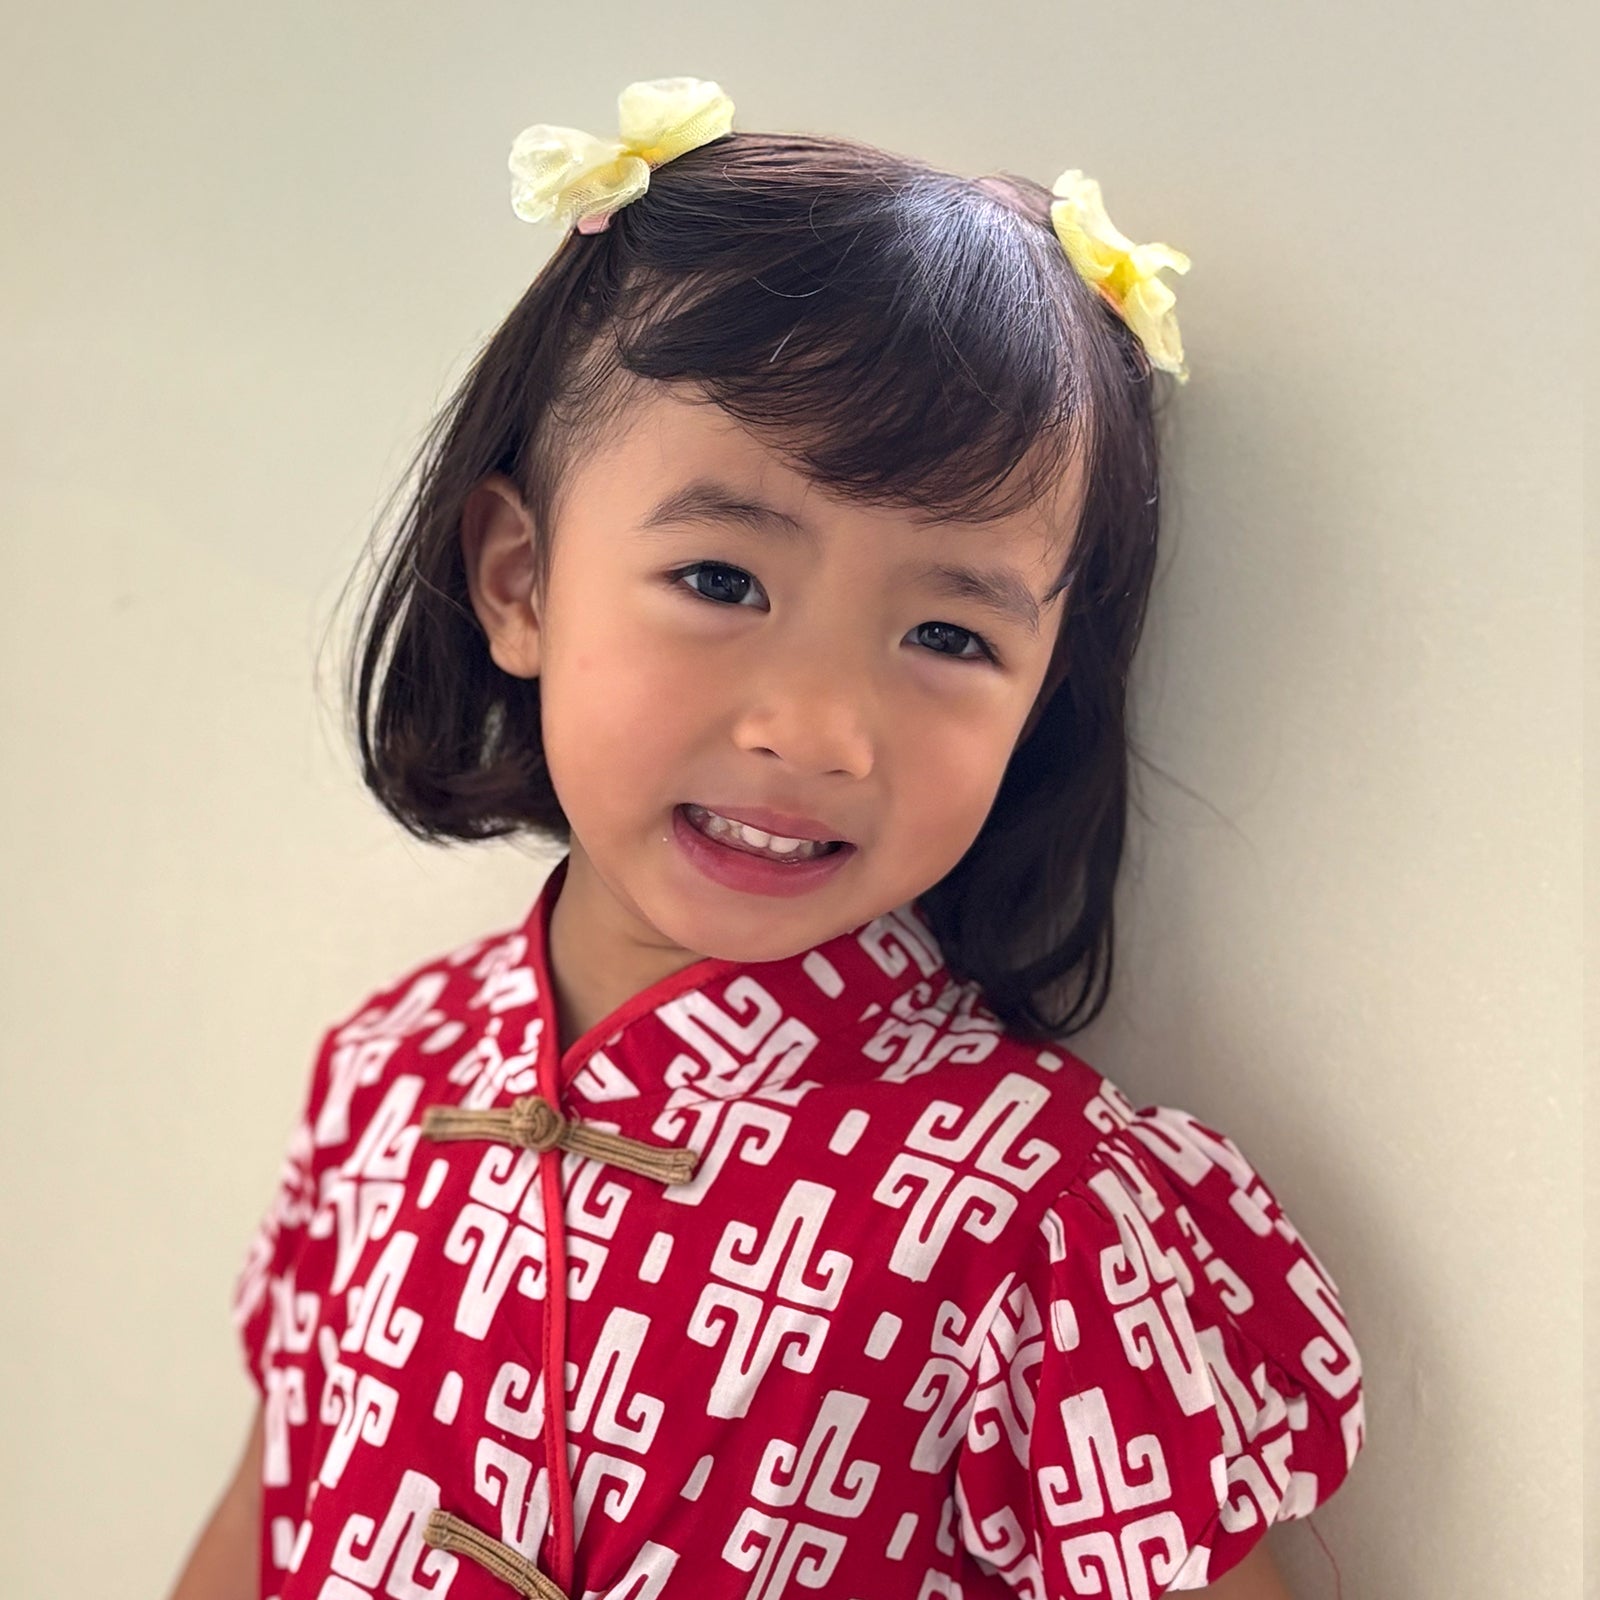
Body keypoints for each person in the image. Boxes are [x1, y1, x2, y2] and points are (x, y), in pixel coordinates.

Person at [169, 77, 1365, 1600]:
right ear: (522, 582)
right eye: (724, 581)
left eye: (945, 630)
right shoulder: (385, 1075)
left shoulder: (1045, 1215)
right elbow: (267, 1511)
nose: (816, 729)